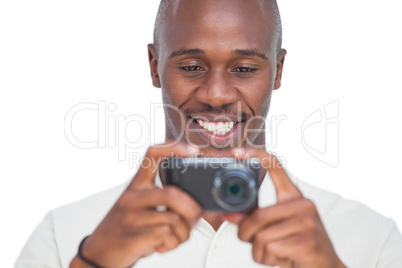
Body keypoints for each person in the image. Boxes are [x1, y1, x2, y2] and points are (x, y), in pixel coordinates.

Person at [16, 0, 402, 267]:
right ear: (154, 66)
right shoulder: (66, 233)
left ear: (278, 71)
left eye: (245, 69)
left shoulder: (371, 237)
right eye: (191, 66)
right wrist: (93, 263)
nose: (216, 95)